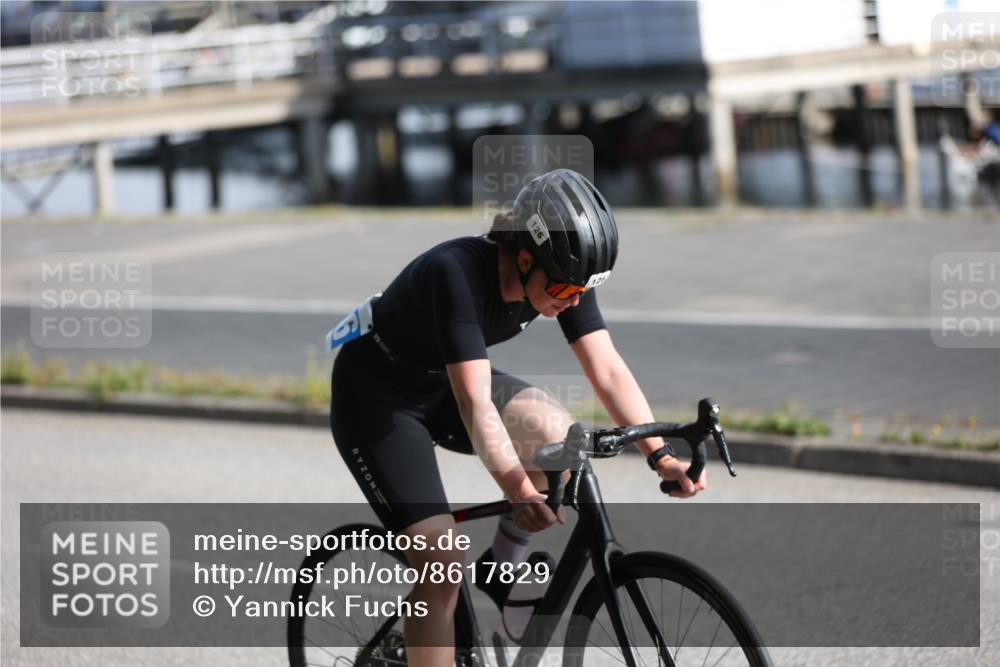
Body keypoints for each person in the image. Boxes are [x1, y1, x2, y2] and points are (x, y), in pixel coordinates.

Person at [328, 168, 706, 667]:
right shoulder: (456, 273)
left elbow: (608, 368)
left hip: (441, 383)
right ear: (525, 257)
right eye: (565, 290)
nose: (572, 301)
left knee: (560, 440)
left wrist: (660, 457)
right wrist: (519, 490)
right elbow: (474, 401)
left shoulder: (561, 272)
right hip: (377, 399)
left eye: (581, 292)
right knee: (440, 564)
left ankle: (500, 571)